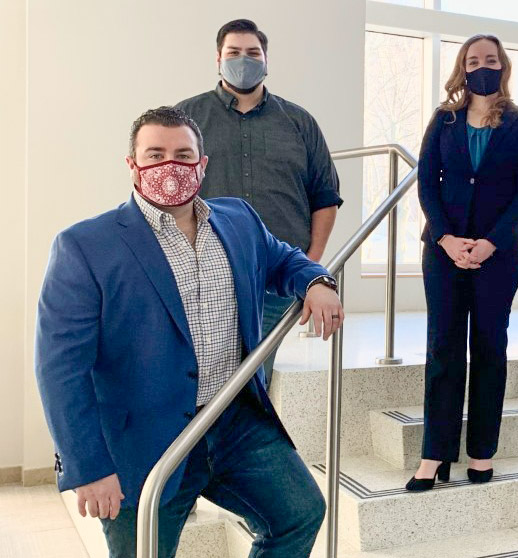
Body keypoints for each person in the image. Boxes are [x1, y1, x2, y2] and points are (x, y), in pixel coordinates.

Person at [35, 107, 344, 558]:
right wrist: (87, 467)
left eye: (183, 154)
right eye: (155, 154)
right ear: (132, 165)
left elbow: (283, 259)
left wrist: (317, 281)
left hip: (233, 422)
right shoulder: (84, 246)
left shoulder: (238, 218)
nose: (170, 166)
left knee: (299, 514)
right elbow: (60, 369)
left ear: (202, 164)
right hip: (142, 445)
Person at [406, 34, 518, 492]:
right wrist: (446, 238)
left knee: (489, 348)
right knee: (443, 348)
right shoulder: (443, 119)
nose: (481, 65)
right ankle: (434, 454)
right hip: (444, 252)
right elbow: (427, 182)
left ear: (502, 65)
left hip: (499, 255)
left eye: (490, 59)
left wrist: (489, 242)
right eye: (473, 60)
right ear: (462, 68)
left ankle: (482, 451)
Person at [177, 19, 342, 389]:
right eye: (234, 52)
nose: (244, 59)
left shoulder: (299, 123)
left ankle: (241, 444)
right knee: (202, 375)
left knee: (253, 378)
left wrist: (310, 266)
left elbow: (325, 198)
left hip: (276, 280)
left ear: (266, 60)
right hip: (208, 273)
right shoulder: (187, 119)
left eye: (253, 53)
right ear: (218, 59)